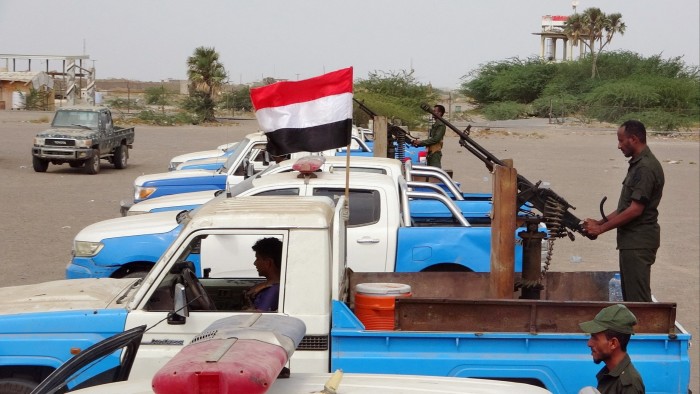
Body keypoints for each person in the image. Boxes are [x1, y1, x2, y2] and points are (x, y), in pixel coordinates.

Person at [582, 120, 664, 302]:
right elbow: (624, 208)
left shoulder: (645, 168)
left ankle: (645, 331)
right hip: (632, 241)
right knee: (630, 298)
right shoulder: (638, 164)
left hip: (638, 241)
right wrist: (599, 222)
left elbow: (635, 210)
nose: (619, 146)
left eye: (621, 141)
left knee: (638, 301)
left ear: (633, 139)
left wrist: (601, 229)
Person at [579, 304, 645, 394]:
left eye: (595, 338)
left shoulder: (628, 385)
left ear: (613, 343)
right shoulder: (610, 374)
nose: (589, 343)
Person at [243, 237, 282, 312]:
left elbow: (258, 316)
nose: (255, 263)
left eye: (257, 259)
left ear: (268, 263)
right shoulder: (269, 286)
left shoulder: (273, 290)